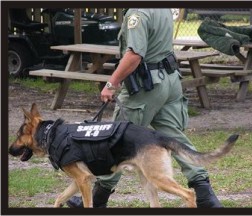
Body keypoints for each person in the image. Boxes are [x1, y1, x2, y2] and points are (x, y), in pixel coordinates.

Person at [67, 8, 222, 208]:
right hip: (170, 80)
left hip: (145, 86)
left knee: (116, 139)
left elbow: (134, 56)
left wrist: (111, 83)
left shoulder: (137, 14)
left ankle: (98, 199)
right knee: (173, 136)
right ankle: (204, 194)